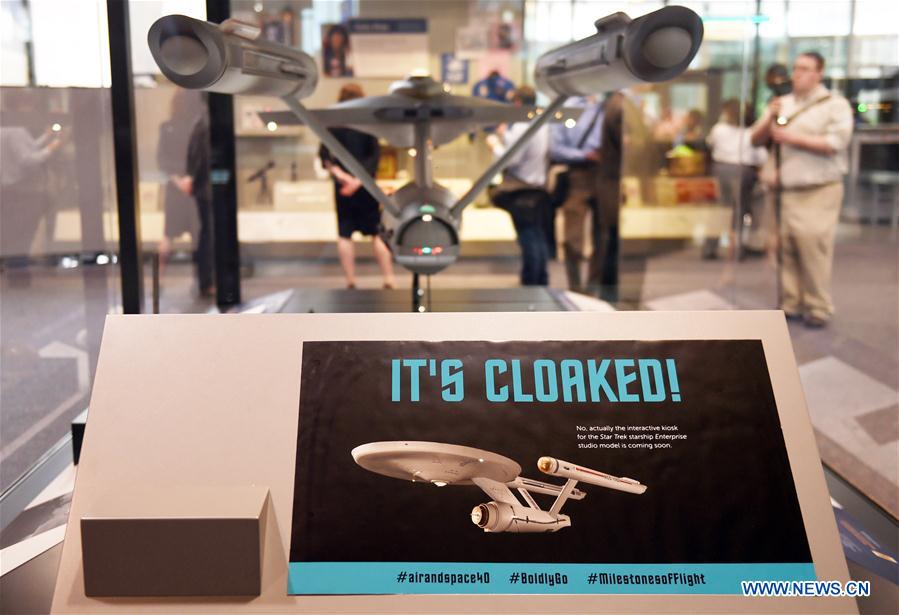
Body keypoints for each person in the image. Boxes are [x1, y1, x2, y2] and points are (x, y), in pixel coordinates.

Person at [750, 51, 853, 328]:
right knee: (784, 247)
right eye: (796, 68)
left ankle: (818, 305)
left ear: (819, 73)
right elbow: (755, 138)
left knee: (812, 246)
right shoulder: (781, 103)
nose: (797, 74)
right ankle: (791, 302)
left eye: (805, 68)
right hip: (784, 189)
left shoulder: (835, 105)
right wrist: (770, 117)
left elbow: (837, 142)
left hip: (818, 188)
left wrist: (793, 138)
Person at [319, 84, 395, 289]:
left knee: (344, 234)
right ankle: (388, 279)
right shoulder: (367, 124)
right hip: (366, 186)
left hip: (342, 188)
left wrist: (343, 178)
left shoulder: (333, 125)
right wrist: (358, 181)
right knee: (377, 233)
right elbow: (374, 158)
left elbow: (325, 157)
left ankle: (350, 281)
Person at [487, 86, 551, 286]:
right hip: (537, 186)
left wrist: (495, 144)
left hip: (522, 189)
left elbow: (510, 159)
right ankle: (540, 279)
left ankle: (532, 282)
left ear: (517, 103)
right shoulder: (542, 124)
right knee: (536, 236)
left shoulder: (523, 126)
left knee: (529, 237)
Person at [550, 95, 604, 293]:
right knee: (573, 236)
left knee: (604, 234)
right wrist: (584, 155)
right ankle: (575, 286)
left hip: (604, 175)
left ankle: (594, 286)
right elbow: (556, 149)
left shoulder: (605, 104)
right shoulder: (568, 108)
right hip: (577, 175)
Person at [705, 99, 767, 259]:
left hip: (723, 170)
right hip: (741, 171)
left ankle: (712, 248)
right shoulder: (749, 132)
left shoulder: (720, 129)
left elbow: (710, 144)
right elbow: (761, 157)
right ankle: (737, 248)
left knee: (721, 210)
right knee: (738, 210)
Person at [157, 89, 201, 277]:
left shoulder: (168, 126)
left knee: (169, 235)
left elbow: (162, 159)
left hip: (179, 187)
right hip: (191, 187)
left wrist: (178, 180)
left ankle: (160, 280)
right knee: (197, 235)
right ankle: (201, 278)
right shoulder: (196, 126)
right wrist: (188, 179)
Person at [173, 112, 215, 297]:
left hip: (205, 188)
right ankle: (206, 281)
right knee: (208, 234)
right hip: (207, 189)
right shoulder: (204, 121)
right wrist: (191, 177)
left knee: (207, 234)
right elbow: (199, 154)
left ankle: (207, 280)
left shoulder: (201, 121)